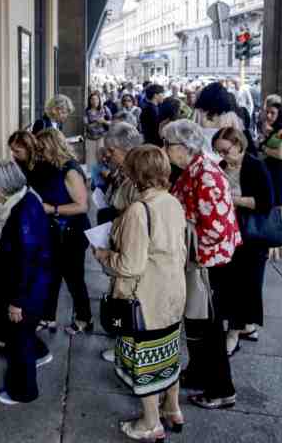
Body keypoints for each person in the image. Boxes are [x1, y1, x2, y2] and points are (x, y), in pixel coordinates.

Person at [93, 146, 187, 441]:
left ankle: (150, 423)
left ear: (135, 174)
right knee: (168, 353)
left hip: (145, 298)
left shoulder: (138, 210)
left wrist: (103, 254)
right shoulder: (172, 201)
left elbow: (130, 265)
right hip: (172, 292)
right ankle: (172, 409)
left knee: (144, 359)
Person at [163, 120, 241, 410]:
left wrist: (187, 243)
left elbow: (213, 227)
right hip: (201, 261)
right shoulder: (192, 169)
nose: (165, 150)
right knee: (197, 324)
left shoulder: (204, 173)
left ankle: (221, 389)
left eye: (168, 144)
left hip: (209, 264)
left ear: (184, 148)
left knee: (209, 329)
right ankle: (197, 374)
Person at [0, 160, 57, 405]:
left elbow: (25, 261)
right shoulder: (24, 199)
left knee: (19, 342)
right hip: (32, 287)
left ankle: (23, 391)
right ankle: (38, 356)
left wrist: (17, 302)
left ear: (4, 187)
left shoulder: (21, 212)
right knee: (22, 337)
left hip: (26, 292)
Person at [213, 127, 276, 355]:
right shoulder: (220, 167)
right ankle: (245, 326)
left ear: (239, 145)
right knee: (231, 283)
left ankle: (234, 333)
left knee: (247, 283)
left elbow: (266, 202)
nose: (222, 156)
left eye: (225, 150)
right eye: (218, 152)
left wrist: (233, 199)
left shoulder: (255, 166)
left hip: (252, 236)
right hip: (229, 235)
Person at [33, 129, 93, 335]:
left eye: (42, 148)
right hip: (54, 231)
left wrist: (52, 209)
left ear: (52, 147)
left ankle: (84, 318)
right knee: (51, 276)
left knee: (74, 278)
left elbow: (82, 206)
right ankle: (48, 317)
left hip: (72, 233)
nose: (39, 153)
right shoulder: (51, 167)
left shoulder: (70, 171)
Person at [192, 82, 245, 157]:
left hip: (203, 158)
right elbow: (240, 140)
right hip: (224, 158)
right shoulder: (231, 116)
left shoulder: (198, 113)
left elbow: (191, 135)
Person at [85, 91, 112, 186]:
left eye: (96, 99)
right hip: (90, 138)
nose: (94, 101)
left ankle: (102, 180)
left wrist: (103, 121)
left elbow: (112, 122)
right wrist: (96, 122)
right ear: (89, 101)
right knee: (91, 160)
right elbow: (86, 125)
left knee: (101, 159)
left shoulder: (105, 109)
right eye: (92, 99)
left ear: (99, 100)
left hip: (102, 137)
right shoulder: (87, 111)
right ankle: (94, 181)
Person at [138, 83, 165, 147]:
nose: (163, 96)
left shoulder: (150, 108)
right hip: (153, 144)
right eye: (162, 94)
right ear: (155, 95)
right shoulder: (151, 110)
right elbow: (156, 130)